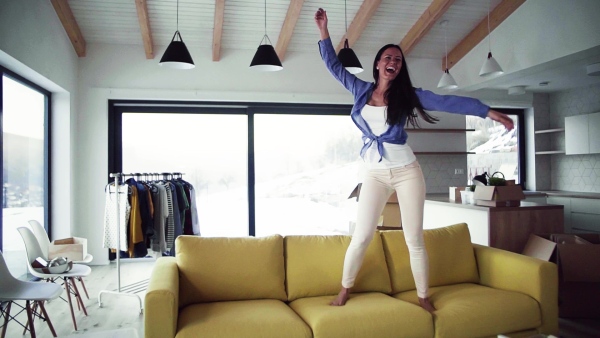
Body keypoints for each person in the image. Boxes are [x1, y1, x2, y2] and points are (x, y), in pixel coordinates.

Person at [314, 8, 514, 312]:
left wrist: (485, 111)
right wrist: (323, 32)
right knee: (362, 236)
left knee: (413, 239)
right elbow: (332, 66)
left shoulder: (408, 96)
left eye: (398, 60)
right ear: (378, 64)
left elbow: (448, 101)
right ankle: (344, 290)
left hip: (407, 172)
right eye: (388, 58)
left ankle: (423, 297)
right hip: (374, 173)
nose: (393, 62)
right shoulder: (360, 90)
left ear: (399, 67)